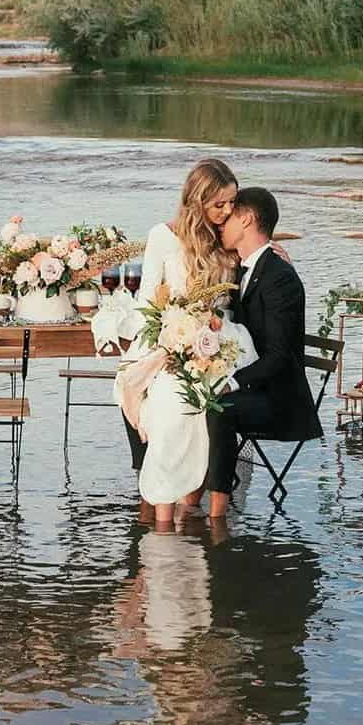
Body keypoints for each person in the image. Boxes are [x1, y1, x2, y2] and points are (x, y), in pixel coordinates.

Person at [116, 159, 256, 524]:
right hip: (173, 333)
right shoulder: (162, 236)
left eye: (231, 203)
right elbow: (148, 298)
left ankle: (188, 502)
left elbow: (240, 290)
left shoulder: (228, 239)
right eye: (219, 204)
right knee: (151, 393)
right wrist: (163, 339)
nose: (227, 212)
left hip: (221, 338)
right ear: (197, 201)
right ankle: (160, 510)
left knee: (189, 403)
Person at [207, 187, 321, 518]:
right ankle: (183, 493)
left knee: (220, 406)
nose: (220, 225)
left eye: (227, 218)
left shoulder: (279, 276)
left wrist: (232, 381)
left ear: (246, 219)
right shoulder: (240, 268)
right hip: (254, 388)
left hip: (279, 400)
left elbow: (281, 356)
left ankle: (217, 516)